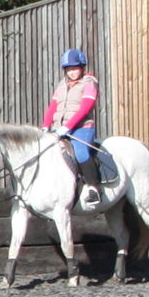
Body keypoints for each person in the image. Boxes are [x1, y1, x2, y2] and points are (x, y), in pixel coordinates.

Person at [41, 48, 103, 206]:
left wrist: (68, 126)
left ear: (82, 67)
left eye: (75, 68)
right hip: (59, 129)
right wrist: (45, 126)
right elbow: (53, 107)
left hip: (82, 128)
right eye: (69, 69)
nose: (72, 72)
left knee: (81, 152)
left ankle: (93, 188)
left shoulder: (89, 83)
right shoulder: (62, 85)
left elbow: (85, 107)